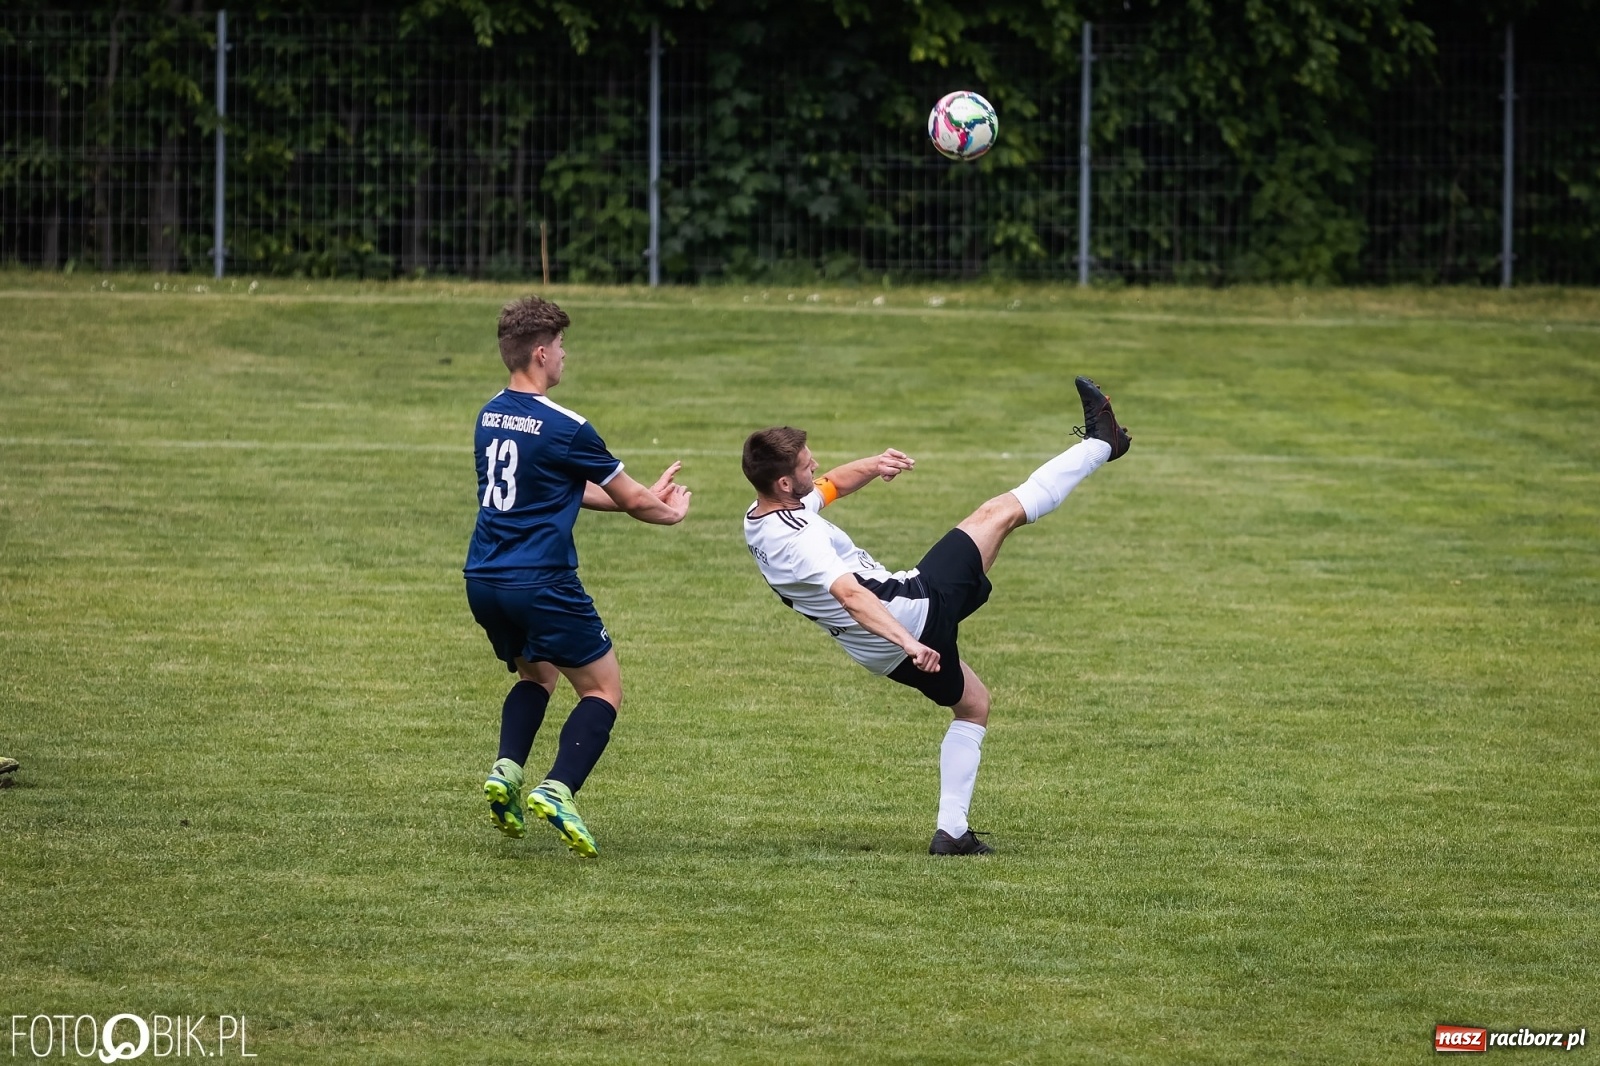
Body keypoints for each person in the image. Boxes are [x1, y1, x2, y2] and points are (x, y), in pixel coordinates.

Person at [741, 377, 1131, 855]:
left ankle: (952, 833)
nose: (815, 463)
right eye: (805, 464)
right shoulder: (799, 538)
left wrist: (874, 464)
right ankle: (1100, 444)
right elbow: (850, 596)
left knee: (973, 706)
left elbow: (830, 485)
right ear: (784, 483)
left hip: (879, 653)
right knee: (997, 513)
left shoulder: (762, 516)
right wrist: (911, 641)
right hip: (913, 610)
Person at [466, 295, 691, 857]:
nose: (566, 356)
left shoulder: (489, 413)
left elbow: (560, 489)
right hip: (541, 582)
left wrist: (638, 498)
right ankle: (558, 789)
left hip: (485, 580)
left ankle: (506, 772)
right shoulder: (567, 427)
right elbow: (634, 498)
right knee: (603, 689)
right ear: (541, 353)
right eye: (562, 346)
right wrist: (665, 509)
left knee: (536, 676)